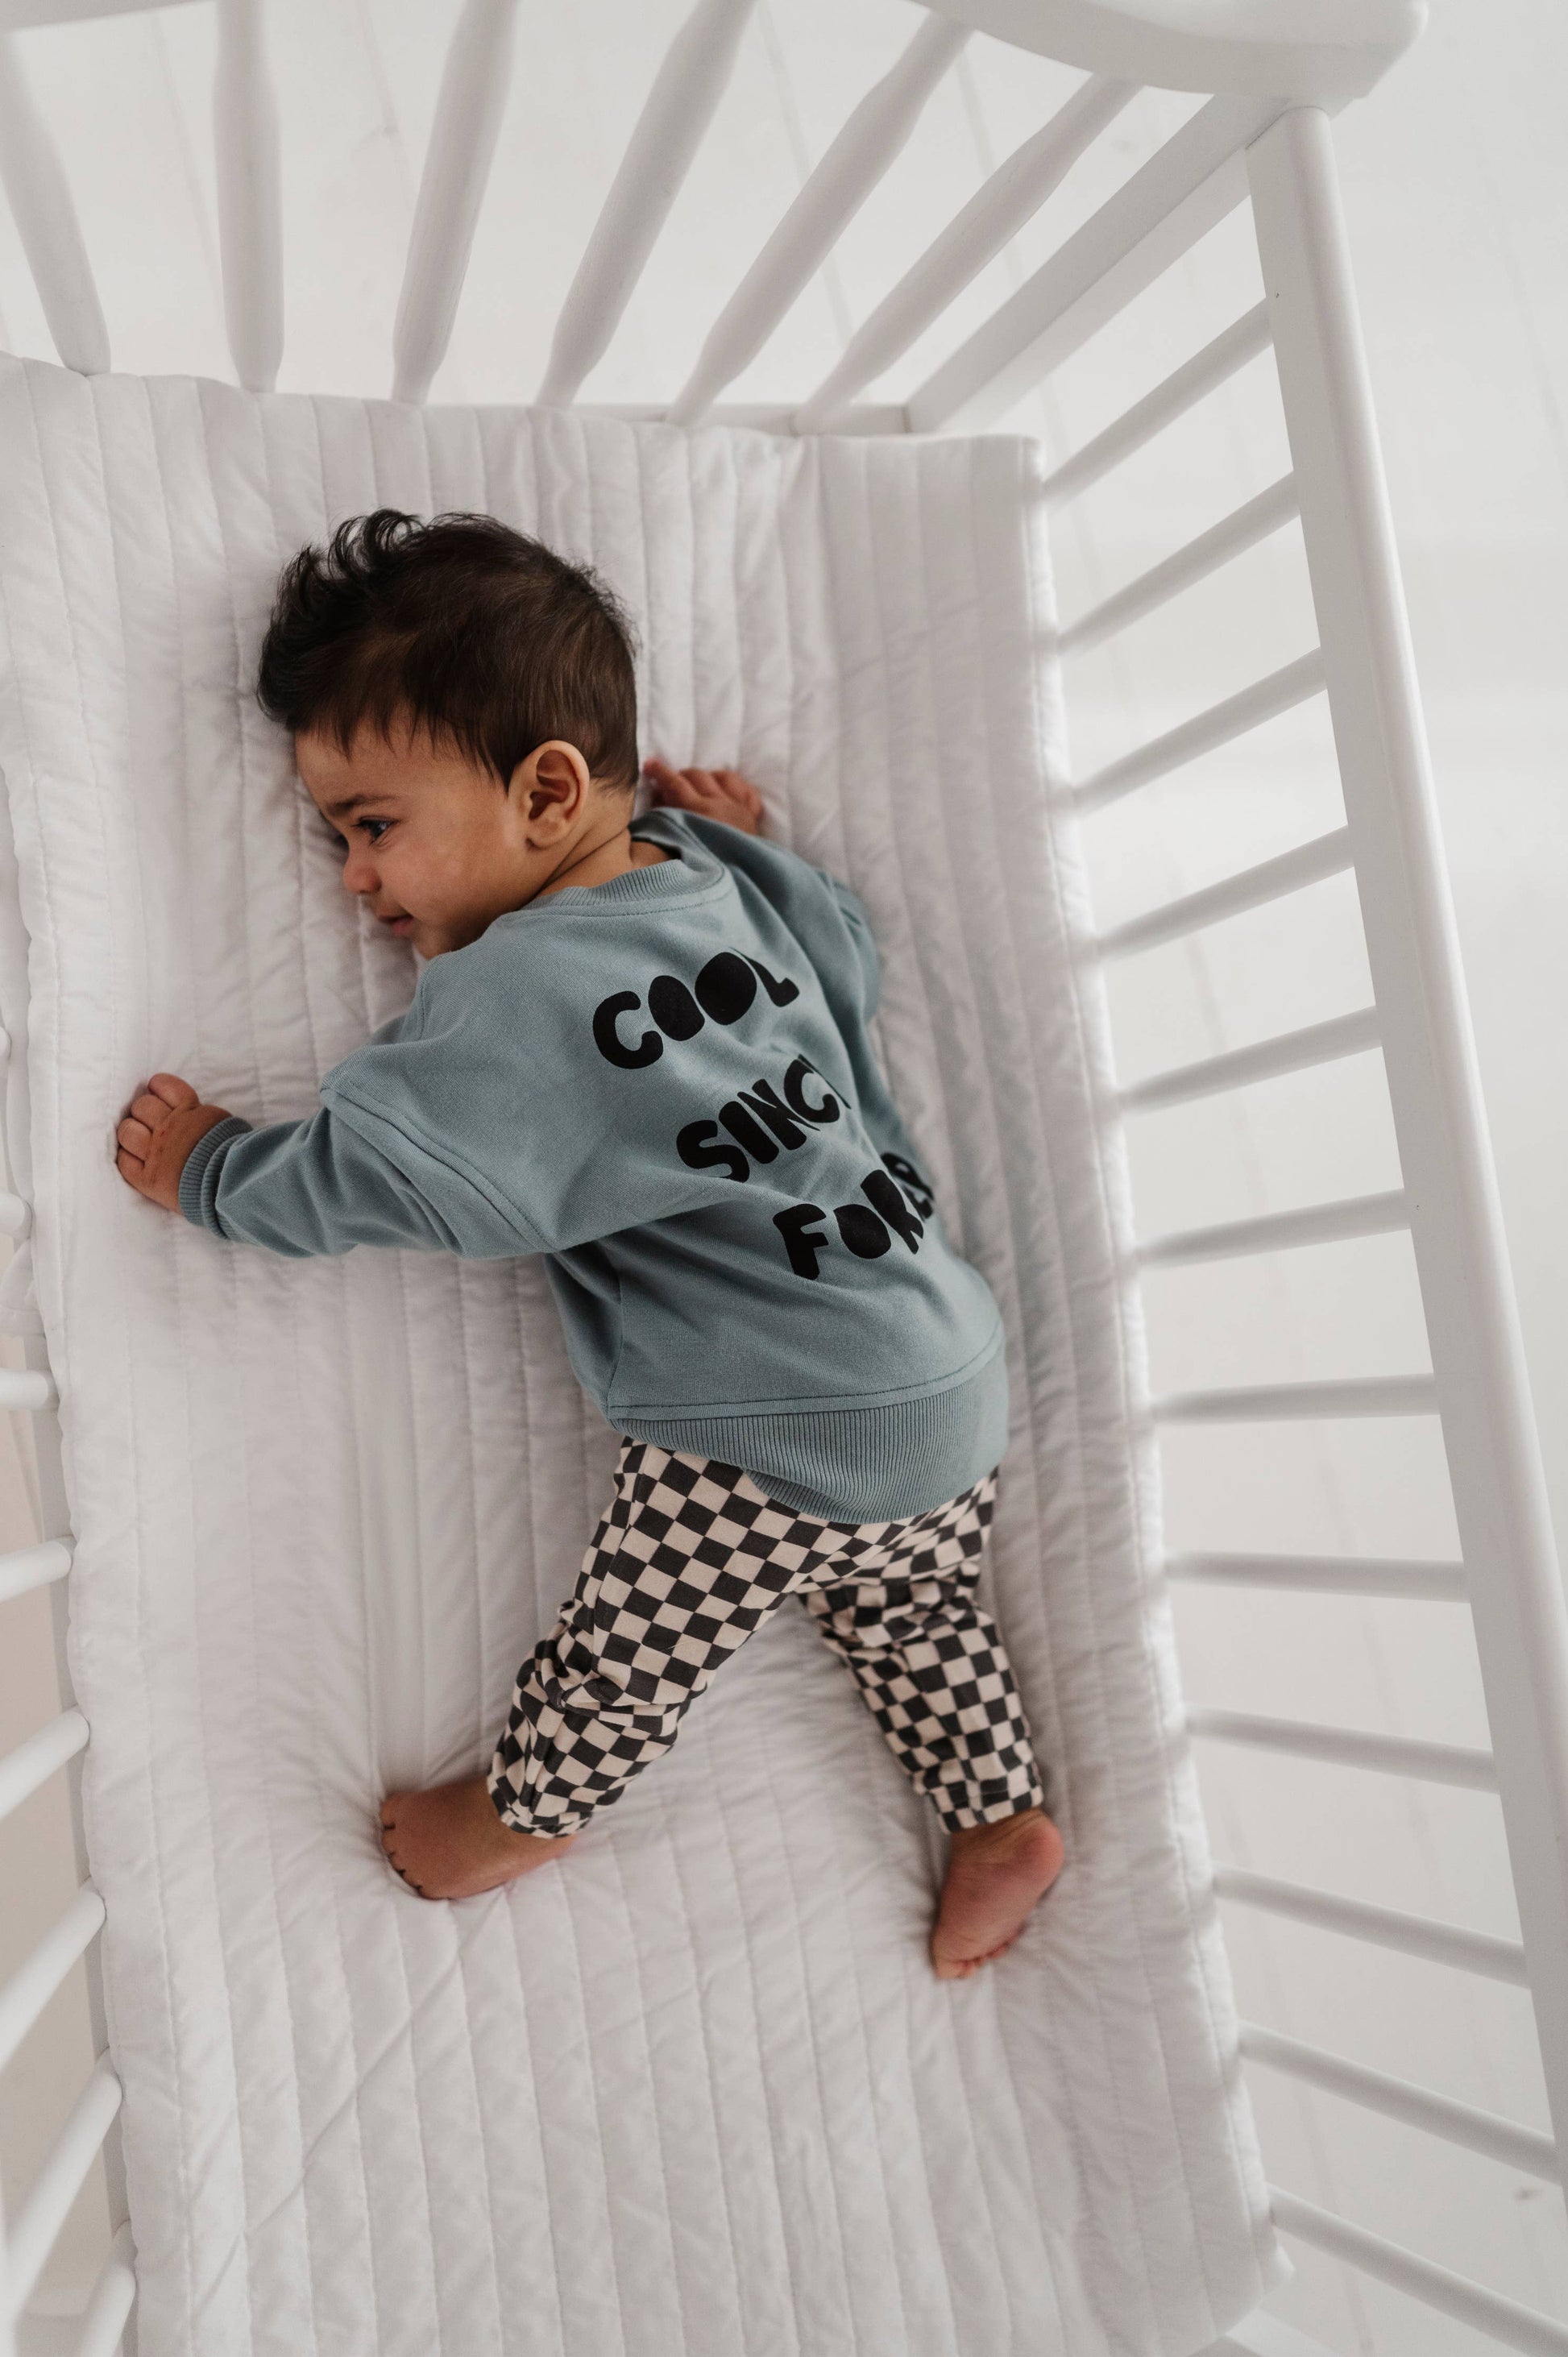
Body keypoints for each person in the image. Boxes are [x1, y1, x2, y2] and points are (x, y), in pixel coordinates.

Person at [114, 510, 1063, 1980]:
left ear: (546, 790)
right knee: (911, 1610)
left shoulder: (527, 989)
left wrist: (216, 1172)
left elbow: (385, 1169)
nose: (356, 883)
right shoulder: (716, 882)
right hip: (940, 1358)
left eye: (373, 826)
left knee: (629, 1647)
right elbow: (848, 955)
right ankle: (996, 1810)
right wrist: (750, 837)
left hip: (767, 1419)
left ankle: (527, 1808)